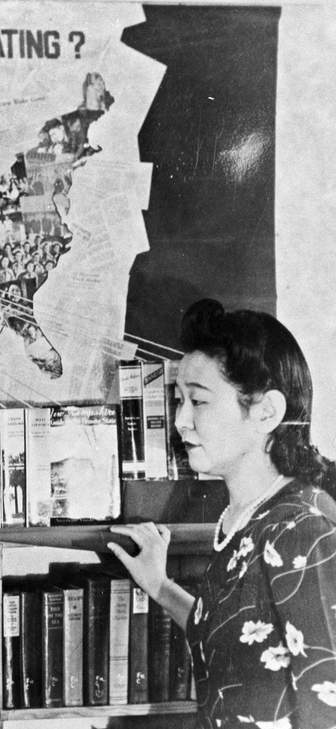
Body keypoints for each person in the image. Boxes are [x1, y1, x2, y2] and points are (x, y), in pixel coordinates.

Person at [109, 299, 336, 729]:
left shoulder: (301, 531)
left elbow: (329, 700)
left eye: (198, 401)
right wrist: (161, 587)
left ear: (266, 412)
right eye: (179, 400)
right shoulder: (246, 518)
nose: (180, 420)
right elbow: (233, 630)